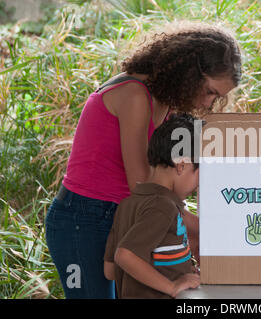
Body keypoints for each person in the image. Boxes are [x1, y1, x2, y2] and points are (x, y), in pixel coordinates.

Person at [45, 21, 241, 298]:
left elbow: (166, 178)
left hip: (123, 217)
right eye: (210, 91)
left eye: (217, 97)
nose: (209, 103)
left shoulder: (170, 102)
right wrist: (193, 224)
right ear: (189, 73)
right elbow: (142, 183)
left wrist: (189, 228)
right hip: (83, 219)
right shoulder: (135, 95)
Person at [104, 113, 202, 298]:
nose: (200, 184)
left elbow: (110, 270)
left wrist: (181, 270)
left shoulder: (127, 204)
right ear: (181, 165)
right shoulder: (163, 207)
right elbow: (124, 255)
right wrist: (172, 286)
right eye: (200, 172)